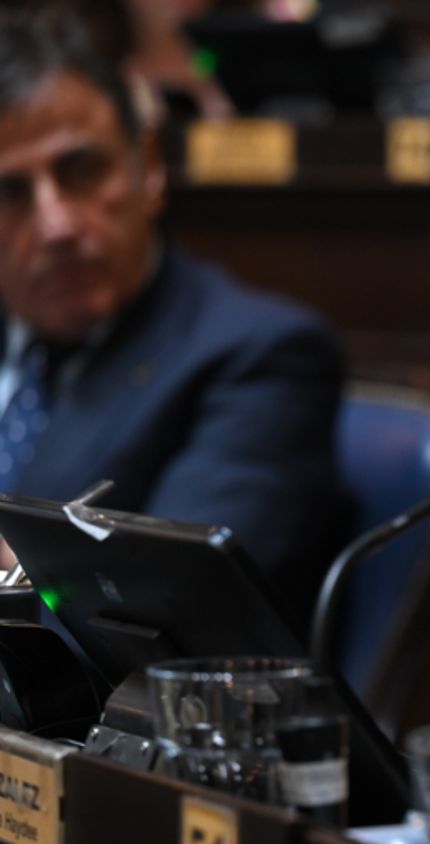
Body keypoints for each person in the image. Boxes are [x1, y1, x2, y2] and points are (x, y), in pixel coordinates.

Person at [0, 8, 345, 626]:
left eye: (81, 171)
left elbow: (167, 619)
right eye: (10, 193)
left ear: (149, 167)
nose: (55, 225)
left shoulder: (260, 356)